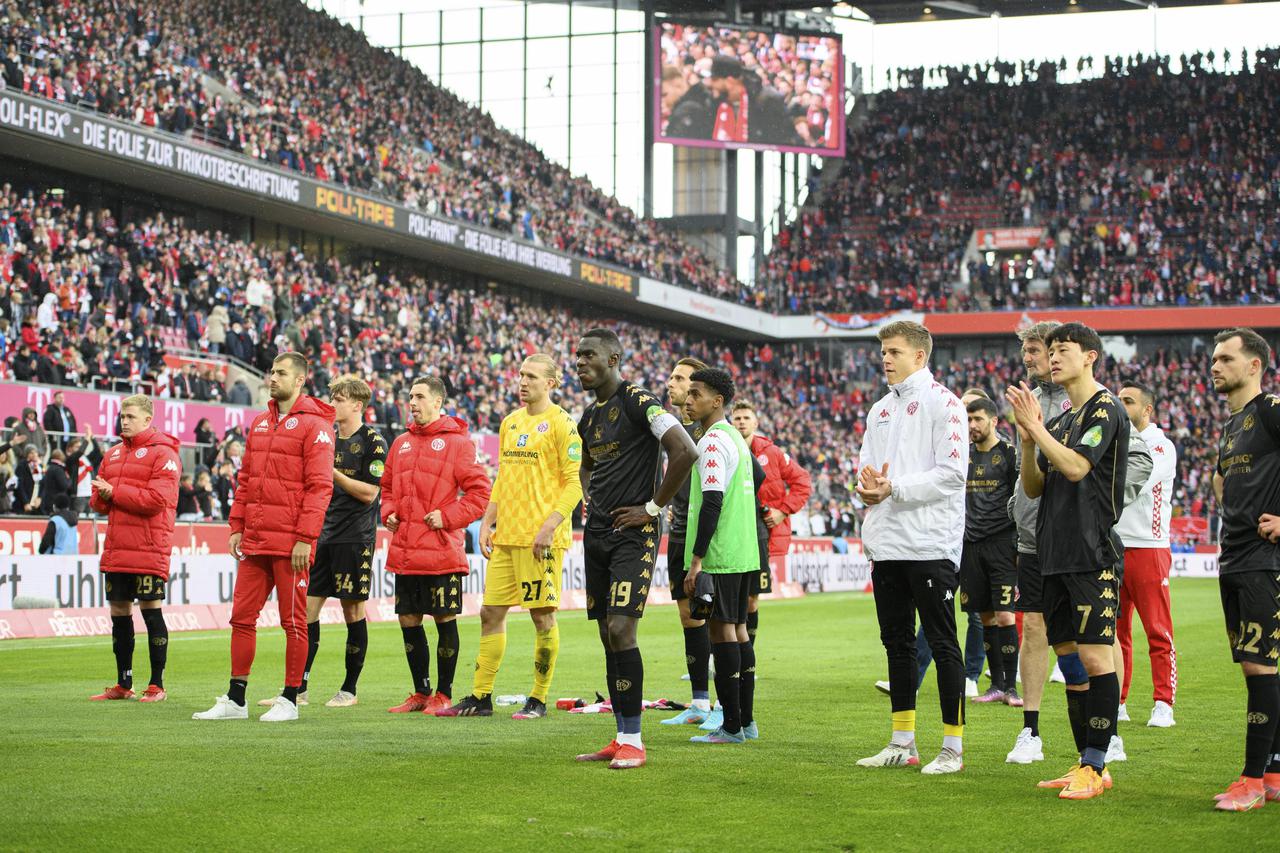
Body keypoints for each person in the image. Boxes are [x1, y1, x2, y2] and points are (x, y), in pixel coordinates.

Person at [1005, 322, 1129, 800]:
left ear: (1090, 356)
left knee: (1096, 657)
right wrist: (1029, 440)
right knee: (1070, 660)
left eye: (1063, 350)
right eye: (1051, 350)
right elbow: (1034, 487)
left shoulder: (1105, 407)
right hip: (1051, 556)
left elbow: (1077, 468)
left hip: (1090, 554)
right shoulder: (1060, 422)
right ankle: (1084, 762)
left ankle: (1096, 765)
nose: (1053, 358)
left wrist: (1036, 428)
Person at [572, 328, 698, 770]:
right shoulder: (588, 417)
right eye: (577, 355)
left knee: (623, 629)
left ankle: (634, 742)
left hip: (633, 535)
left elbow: (685, 451)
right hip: (597, 534)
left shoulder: (639, 401)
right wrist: (588, 499)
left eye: (589, 355)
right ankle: (620, 734)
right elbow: (586, 466)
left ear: (613, 359)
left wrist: (651, 508)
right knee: (608, 634)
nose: (580, 362)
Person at [193, 353, 336, 723]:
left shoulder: (316, 426)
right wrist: (236, 526)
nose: (272, 378)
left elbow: (320, 487)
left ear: (300, 380)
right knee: (241, 618)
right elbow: (246, 480)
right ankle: (236, 698)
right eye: (271, 372)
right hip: (255, 539)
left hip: (292, 543)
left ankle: (289, 699)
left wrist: (305, 537)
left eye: (281, 373)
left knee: (294, 622)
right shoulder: (259, 423)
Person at [855, 320, 968, 775]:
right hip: (887, 544)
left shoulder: (946, 403)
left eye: (895, 351)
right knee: (897, 644)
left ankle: (953, 747)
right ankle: (902, 742)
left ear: (920, 356)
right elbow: (866, 466)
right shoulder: (879, 409)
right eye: (883, 351)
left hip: (929, 544)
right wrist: (865, 487)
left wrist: (894, 488)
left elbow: (953, 474)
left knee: (942, 643)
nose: (885, 358)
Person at [443, 355, 581, 720]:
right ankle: (481, 696)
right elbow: (504, 477)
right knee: (490, 612)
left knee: (542, 617)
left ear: (551, 383)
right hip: (508, 536)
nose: (523, 381)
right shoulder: (510, 422)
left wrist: (549, 527)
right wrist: (488, 521)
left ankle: (538, 698)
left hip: (540, 541)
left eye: (531, 376)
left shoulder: (563, 424)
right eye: (521, 375)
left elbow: (574, 484)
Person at [383, 376, 490, 715]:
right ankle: (420, 692)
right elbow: (387, 489)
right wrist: (389, 513)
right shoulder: (400, 443)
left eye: (419, 396)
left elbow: (480, 494)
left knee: (444, 618)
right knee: (408, 619)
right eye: (410, 396)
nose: (412, 402)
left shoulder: (458, 443)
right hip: (405, 550)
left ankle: (443, 694)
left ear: (437, 402)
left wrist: (447, 516)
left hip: (441, 550)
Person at [1208, 328, 1280, 811]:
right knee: (1259, 667)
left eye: (1226, 359)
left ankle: (1251, 780)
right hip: (1234, 557)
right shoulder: (1233, 425)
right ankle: (1273, 773)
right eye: (1214, 358)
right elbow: (1222, 481)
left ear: (1254, 365)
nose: (1215, 366)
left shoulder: (1271, 410)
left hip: (1263, 560)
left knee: (1260, 666)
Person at [288, 375, 387, 709]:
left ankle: (349, 689)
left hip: (355, 537)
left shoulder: (373, 442)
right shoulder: (326, 437)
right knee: (306, 611)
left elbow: (370, 493)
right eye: (332, 397)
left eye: (339, 399)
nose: (332, 404)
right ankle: (297, 689)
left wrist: (331, 473)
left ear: (357, 405)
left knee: (352, 610)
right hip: (322, 534)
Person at [682, 368, 765, 744]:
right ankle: (746, 722)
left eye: (696, 394)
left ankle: (731, 726)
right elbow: (759, 477)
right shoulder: (735, 437)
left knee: (722, 632)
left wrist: (697, 559)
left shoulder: (713, 442)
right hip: (744, 548)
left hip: (721, 554)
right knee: (740, 630)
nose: (689, 400)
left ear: (716, 401)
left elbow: (712, 501)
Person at [88, 395, 181, 703]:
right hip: (117, 547)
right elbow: (100, 503)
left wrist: (114, 492)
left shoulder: (164, 453)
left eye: (130, 416)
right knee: (119, 612)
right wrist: (101, 496)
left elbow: (156, 500)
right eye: (122, 416)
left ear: (147, 419)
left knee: (151, 611)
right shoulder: (112, 454)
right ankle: (123, 683)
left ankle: (157, 685)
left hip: (148, 547)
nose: (124, 421)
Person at [1005, 320, 1070, 765]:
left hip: (1077, 538)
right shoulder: (1027, 399)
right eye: (1025, 350)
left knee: (1093, 638)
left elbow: (1133, 460)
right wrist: (1018, 504)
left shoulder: (1083, 397)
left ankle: (1108, 731)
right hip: (1031, 537)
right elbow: (1024, 464)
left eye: (1033, 350)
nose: (1026, 358)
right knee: (1032, 628)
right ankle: (1030, 730)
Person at [1115, 383, 1179, 729]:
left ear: (1147, 410)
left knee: (1157, 630)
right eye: (1119, 400)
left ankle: (1163, 702)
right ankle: (1118, 700)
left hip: (1149, 546)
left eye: (1129, 401)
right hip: (1115, 545)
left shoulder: (1160, 446)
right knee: (1116, 632)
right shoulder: (1117, 442)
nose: (1121, 406)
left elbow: (1134, 481)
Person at [659, 357, 715, 728]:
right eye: (672, 377)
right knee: (688, 617)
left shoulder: (711, 431)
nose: (671, 383)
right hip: (679, 532)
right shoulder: (672, 427)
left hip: (705, 537)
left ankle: (726, 705)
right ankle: (699, 703)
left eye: (680, 379)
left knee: (717, 619)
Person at [730, 399, 812, 649]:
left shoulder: (772, 453)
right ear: (731, 422)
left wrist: (782, 511)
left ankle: (746, 656)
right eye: (737, 418)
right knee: (727, 598)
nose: (741, 422)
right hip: (729, 532)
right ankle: (722, 654)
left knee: (751, 600)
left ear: (755, 423)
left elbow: (802, 481)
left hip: (759, 533)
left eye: (746, 418)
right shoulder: (724, 449)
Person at [960, 397, 1022, 705]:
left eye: (978, 419)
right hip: (970, 545)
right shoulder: (963, 455)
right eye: (968, 420)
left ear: (994, 421)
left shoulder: (1010, 454)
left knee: (1005, 615)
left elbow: (1021, 499)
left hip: (1002, 544)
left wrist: (1020, 545)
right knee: (985, 617)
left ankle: (1011, 687)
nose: (972, 425)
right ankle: (996, 685)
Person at [704, 55, 804, 147]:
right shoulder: (717, 101)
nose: (710, 84)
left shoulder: (767, 101)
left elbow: (785, 141)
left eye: (714, 80)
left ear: (730, 81)